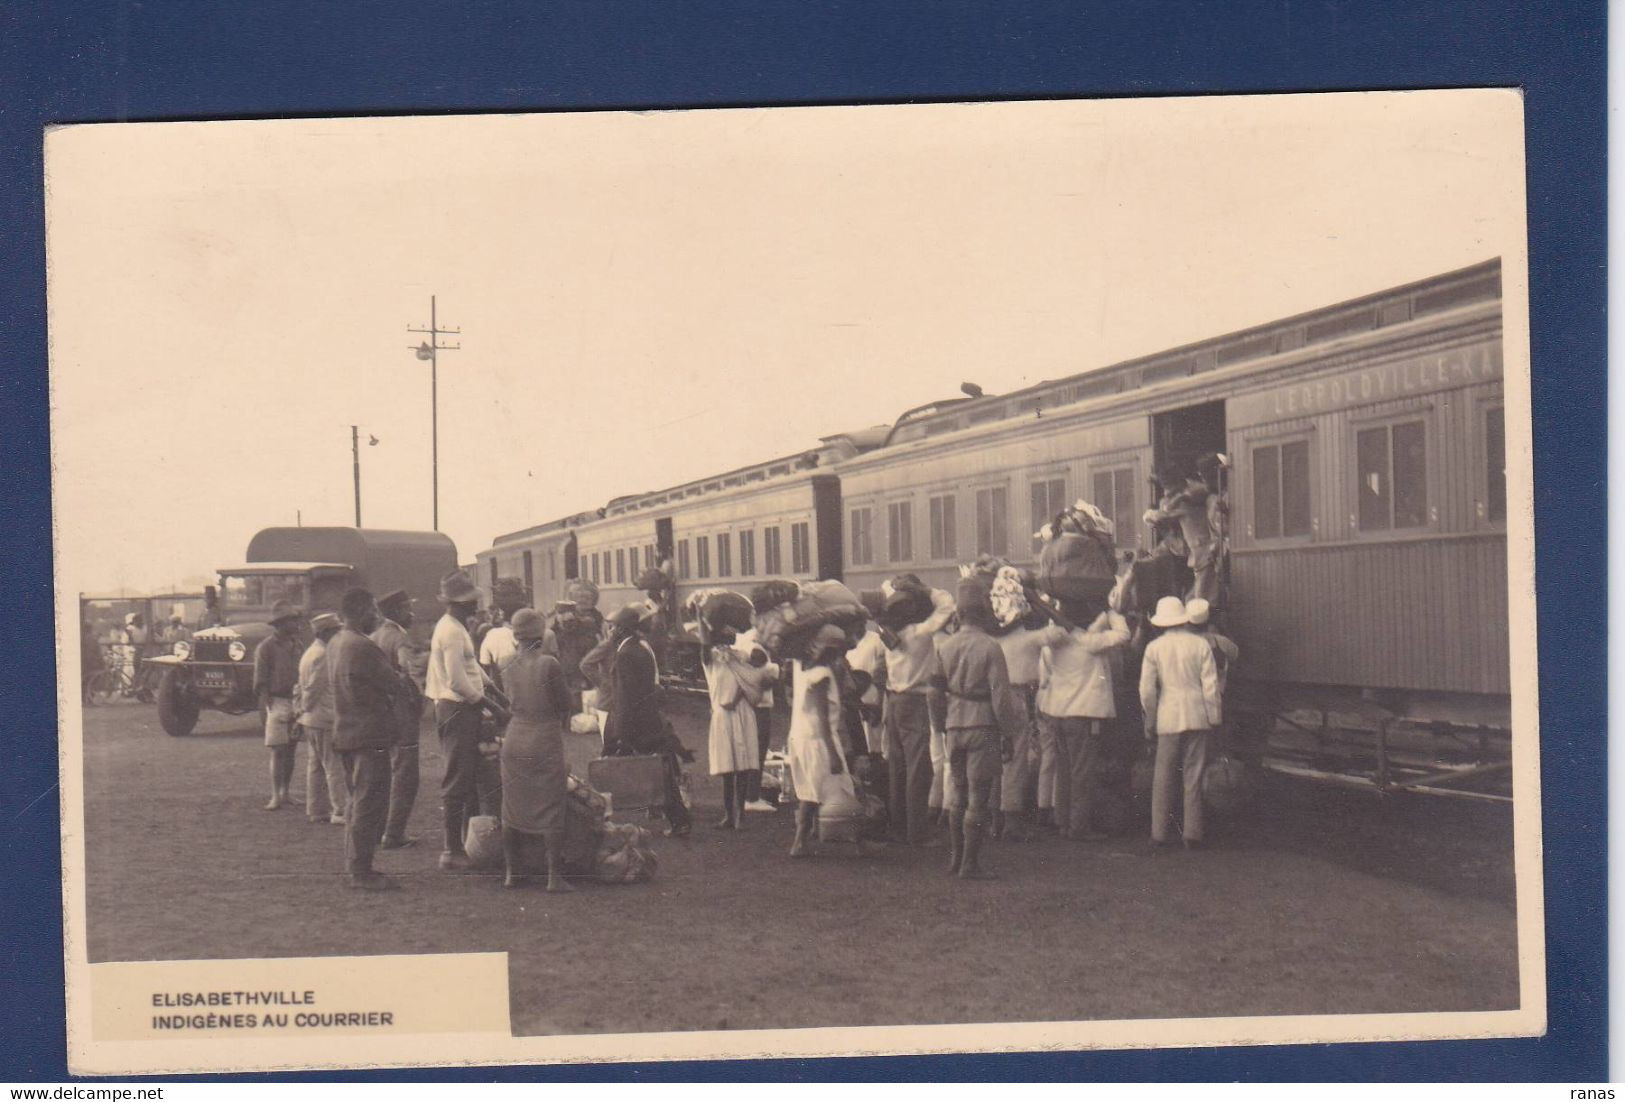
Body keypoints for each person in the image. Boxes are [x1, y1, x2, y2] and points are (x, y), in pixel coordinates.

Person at [929, 578, 1025, 880]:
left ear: (959, 614)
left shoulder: (945, 647)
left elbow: (933, 692)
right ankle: (970, 863)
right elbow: (1000, 697)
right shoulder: (990, 647)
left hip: (954, 725)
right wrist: (1009, 732)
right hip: (983, 725)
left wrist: (939, 724)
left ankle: (955, 859)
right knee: (978, 797)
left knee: (957, 793)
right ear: (983, 613)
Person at [427, 569, 507, 870]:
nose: (476, 605)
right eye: (471, 601)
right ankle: (451, 850)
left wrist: (494, 689)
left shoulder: (457, 628)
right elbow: (458, 682)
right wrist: (492, 705)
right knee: (458, 778)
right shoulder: (449, 632)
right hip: (457, 709)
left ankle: (465, 843)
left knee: (470, 778)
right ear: (458, 603)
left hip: (463, 709)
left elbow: (472, 669)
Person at [1037, 596, 1131, 841]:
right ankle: (1079, 826)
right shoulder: (1090, 642)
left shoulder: (1052, 645)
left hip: (1056, 711)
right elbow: (1123, 634)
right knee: (1082, 772)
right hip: (1082, 714)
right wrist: (1110, 612)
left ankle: (1063, 821)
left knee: (1064, 769)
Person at [326, 587, 402, 890]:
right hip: (369, 734)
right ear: (360, 612)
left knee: (356, 800)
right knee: (369, 802)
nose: (378, 616)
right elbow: (394, 684)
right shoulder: (363, 647)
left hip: (346, 732)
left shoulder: (335, 642)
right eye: (374, 610)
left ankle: (356, 865)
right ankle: (362, 871)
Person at [600, 601, 693, 837]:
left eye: (613, 627)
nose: (610, 631)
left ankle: (678, 819)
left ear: (623, 629)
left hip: (636, 720)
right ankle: (676, 818)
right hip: (646, 718)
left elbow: (626, 694)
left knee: (655, 771)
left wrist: (621, 729)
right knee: (660, 768)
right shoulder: (636, 648)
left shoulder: (627, 653)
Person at [499, 609, 575, 892]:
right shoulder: (549, 664)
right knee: (551, 805)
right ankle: (554, 877)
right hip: (543, 737)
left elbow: (509, 701)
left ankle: (512, 873)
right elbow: (565, 703)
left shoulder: (506, 662)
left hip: (514, 736)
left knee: (512, 807)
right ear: (541, 635)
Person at [1139, 596, 1222, 849]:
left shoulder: (1154, 648)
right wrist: (1214, 716)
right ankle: (1192, 835)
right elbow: (1211, 686)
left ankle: (1159, 835)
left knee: (1163, 777)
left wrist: (1150, 718)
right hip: (1197, 715)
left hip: (1168, 716)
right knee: (1193, 777)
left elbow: (1147, 690)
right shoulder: (1200, 645)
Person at [880, 583, 956, 846]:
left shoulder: (890, 636)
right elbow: (947, 604)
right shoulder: (919, 633)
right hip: (914, 701)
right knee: (918, 769)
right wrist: (926, 588)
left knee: (898, 767)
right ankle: (917, 832)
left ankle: (899, 828)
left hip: (893, 701)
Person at [701, 621, 779, 830]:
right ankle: (729, 814)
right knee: (728, 769)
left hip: (742, 712)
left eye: (732, 635)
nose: (731, 638)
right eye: (725, 635)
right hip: (723, 715)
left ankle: (740, 815)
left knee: (743, 767)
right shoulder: (712, 660)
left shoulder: (742, 656)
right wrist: (702, 619)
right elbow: (703, 647)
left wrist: (735, 699)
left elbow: (754, 679)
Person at [785, 624, 853, 858]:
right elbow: (821, 717)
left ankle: (806, 837)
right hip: (818, 739)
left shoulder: (800, 667)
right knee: (833, 790)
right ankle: (801, 841)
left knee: (811, 790)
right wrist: (833, 753)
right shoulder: (822, 675)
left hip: (800, 735)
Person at [372, 590, 424, 850]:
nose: (411, 614)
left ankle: (383, 828)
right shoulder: (399, 638)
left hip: (383, 712)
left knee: (387, 771)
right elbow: (408, 674)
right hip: (402, 711)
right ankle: (394, 833)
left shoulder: (376, 635)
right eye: (406, 609)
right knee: (406, 773)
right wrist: (418, 699)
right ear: (395, 612)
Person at [993, 609, 1048, 841]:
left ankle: (995, 819)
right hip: (1017, 697)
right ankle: (1012, 823)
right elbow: (1060, 633)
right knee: (1015, 761)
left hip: (992, 697)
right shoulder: (1030, 638)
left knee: (996, 760)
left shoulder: (992, 639)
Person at [296, 612, 348, 826]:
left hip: (311, 720)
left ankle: (317, 809)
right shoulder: (324, 655)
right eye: (336, 630)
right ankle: (340, 810)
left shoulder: (310, 652)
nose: (339, 634)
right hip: (323, 718)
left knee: (316, 766)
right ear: (326, 632)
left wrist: (301, 712)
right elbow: (313, 689)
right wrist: (306, 707)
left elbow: (302, 687)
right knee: (334, 766)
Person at [253, 601, 305, 811]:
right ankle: (276, 795)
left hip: (294, 699)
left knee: (291, 749)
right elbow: (261, 679)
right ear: (282, 623)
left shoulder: (297, 645)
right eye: (292, 620)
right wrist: (268, 706)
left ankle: (285, 792)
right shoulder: (266, 647)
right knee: (278, 749)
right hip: (276, 700)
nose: (296, 623)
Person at [1146, 468, 1219, 604]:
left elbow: (1159, 516)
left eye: (1167, 487)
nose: (1166, 492)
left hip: (1202, 552)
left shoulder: (1183, 502)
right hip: (1202, 552)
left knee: (1200, 601)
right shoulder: (1193, 492)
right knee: (1191, 599)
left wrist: (1149, 514)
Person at [478, 606, 519, 688]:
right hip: (515, 657)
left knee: (506, 686)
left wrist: (486, 682)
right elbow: (518, 644)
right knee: (518, 683)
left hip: (501, 662)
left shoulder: (485, 641)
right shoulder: (506, 630)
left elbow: (485, 664)